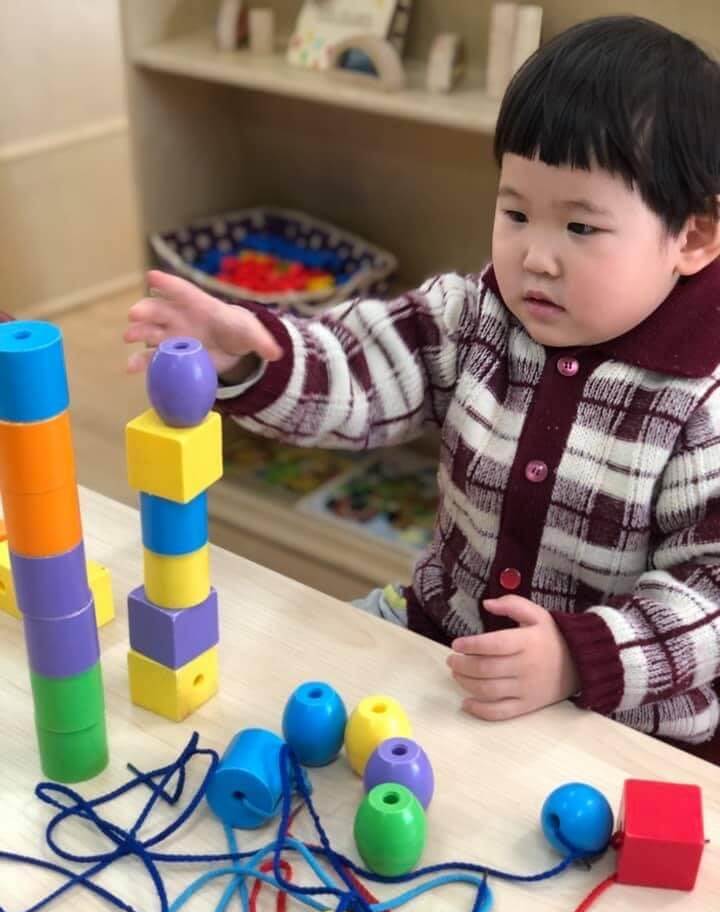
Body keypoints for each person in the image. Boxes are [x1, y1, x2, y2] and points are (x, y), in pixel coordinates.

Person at [124, 16, 720, 755]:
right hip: (444, 638)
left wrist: (578, 658)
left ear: (691, 239)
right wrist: (258, 353)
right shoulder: (477, 313)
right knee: (267, 702)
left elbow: (709, 597)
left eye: (581, 228)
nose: (535, 256)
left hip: (617, 719)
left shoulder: (701, 401)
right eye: (515, 212)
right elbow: (363, 366)